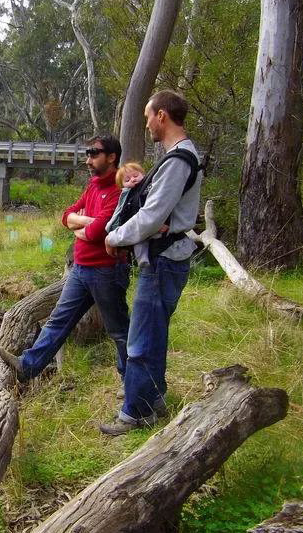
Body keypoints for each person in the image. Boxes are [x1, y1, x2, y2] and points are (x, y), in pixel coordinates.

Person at [99, 90, 203, 436]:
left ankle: (132, 414)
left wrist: (114, 237)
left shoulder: (178, 161)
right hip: (164, 259)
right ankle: (154, 400)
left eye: (148, 116)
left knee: (140, 339)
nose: (146, 124)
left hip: (163, 262)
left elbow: (151, 215)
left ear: (162, 115)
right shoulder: (178, 157)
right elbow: (156, 214)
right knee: (154, 334)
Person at [0, 134, 131, 387]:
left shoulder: (117, 191)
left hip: (107, 272)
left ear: (112, 157)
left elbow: (97, 232)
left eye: (94, 153)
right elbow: (66, 217)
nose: (88, 159)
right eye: (87, 154)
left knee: (119, 331)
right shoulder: (93, 186)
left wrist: (84, 226)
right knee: (59, 320)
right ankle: (27, 366)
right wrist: (86, 223)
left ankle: (130, 382)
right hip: (81, 269)